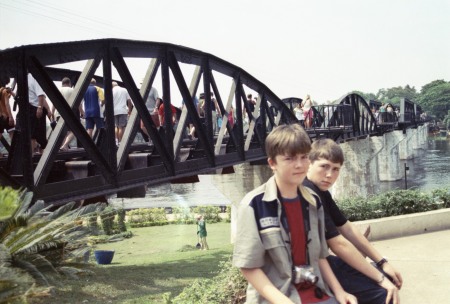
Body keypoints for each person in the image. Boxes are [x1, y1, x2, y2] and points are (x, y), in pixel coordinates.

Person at [233, 124, 357, 304]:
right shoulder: (254, 205)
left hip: (316, 293)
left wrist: (339, 292)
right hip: (275, 298)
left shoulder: (313, 201)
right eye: (289, 158)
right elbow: (248, 267)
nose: (299, 165)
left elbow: (320, 256)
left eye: (304, 157)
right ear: (272, 163)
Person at [303, 138, 403, 304]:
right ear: (309, 163)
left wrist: (382, 262)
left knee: (388, 278)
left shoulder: (320, 191)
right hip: (312, 269)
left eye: (336, 169)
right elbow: (338, 244)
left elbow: (346, 228)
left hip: (324, 262)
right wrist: (380, 279)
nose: (329, 175)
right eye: (324, 166)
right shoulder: (309, 194)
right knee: (384, 295)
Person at [54, 77, 76, 151]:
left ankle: (63, 147)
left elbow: (54, 103)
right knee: (74, 130)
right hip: (69, 114)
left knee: (62, 132)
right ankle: (65, 145)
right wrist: (82, 112)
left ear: (62, 83)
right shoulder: (72, 90)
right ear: (69, 83)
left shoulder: (57, 90)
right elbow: (78, 102)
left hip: (58, 114)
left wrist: (52, 112)